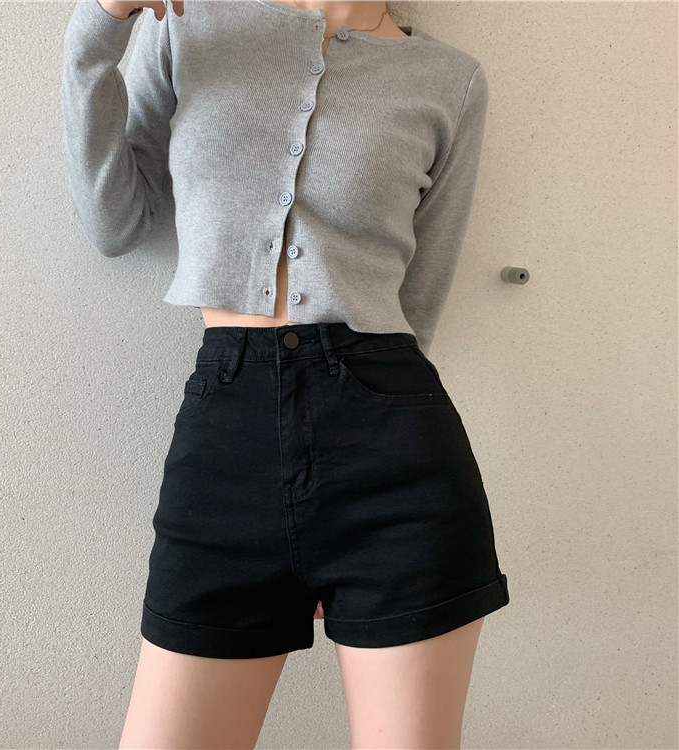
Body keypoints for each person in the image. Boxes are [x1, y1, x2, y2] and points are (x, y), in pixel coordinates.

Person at [61, 0, 510, 746]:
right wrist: (98, 27)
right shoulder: (191, 26)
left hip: (394, 446)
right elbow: (114, 222)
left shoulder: (449, 78)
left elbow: (422, 294)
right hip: (226, 431)